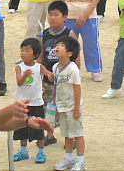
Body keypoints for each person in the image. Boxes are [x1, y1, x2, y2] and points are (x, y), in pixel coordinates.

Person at [36, 1, 79, 145]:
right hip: (49, 79)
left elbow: (76, 60)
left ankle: (71, 138)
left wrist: (73, 77)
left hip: (65, 81)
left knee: (66, 110)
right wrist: (44, 75)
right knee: (48, 109)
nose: (52, 18)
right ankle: (49, 135)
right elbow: (40, 58)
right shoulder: (44, 34)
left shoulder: (70, 35)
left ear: (65, 17)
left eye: (56, 15)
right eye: (50, 15)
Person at [56, 0, 103, 81]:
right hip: (69, 16)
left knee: (91, 43)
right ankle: (68, 69)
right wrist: (59, 13)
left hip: (89, 17)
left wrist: (85, 15)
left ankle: (95, 69)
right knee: (68, 44)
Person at [13, 38, 53, 164]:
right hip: (22, 103)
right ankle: (23, 151)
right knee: (21, 129)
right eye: (22, 50)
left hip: (36, 103)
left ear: (35, 54)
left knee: (38, 129)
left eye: (27, 50)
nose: (23, 53)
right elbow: (19, 82)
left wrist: (50, 75)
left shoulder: (39, 67)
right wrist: (25, 75)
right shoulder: (19, 67)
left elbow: (47, 73)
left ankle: (41, 152)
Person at [52, 36, 86, 171]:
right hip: (62, 107)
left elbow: (77, 89)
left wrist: (77, 108)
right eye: (57, 45)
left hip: (73, 107)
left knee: (77, 133)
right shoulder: (55, 67)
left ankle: (80, 161)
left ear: (69, 53)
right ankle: (68, 159)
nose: (57, 47)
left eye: (62, 46)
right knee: (66, 134)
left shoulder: (73, 69)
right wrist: (55, 102)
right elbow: (56, 85)